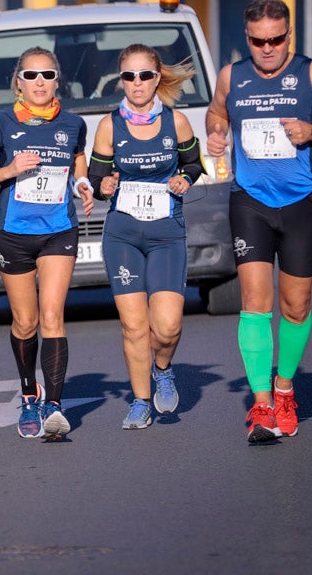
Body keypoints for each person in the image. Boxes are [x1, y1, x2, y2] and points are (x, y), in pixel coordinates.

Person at [205, 0, 312, 444]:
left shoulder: (311, 74)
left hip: (300, 205)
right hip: (249, 201)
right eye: (259, 42)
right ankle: (260, 404)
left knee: (296, 306)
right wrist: (217, 132)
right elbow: (217, 110)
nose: (268, 49)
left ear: (288, 35)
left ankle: (284, 388)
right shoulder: (231, 76)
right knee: (256, 302)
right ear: (247, 40)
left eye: (276, 39)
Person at [0, 47, 94, 440]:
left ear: (59, 80)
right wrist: (10, 168)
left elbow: (78, 165)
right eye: (31, 75)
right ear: (18, 82)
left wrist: (83, 185)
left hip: (59, 229)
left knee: (53, 316)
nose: (39, 82)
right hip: (14, 234)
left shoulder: (73, 123)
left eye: (47, 75)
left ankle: (54, 406)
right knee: (26, 321)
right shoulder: (1, 122)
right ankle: (28, 393)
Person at [87, 45, 203, 430]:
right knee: (134, 326)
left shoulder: (177, 123)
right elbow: (97, 178)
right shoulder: (109, 126)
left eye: (145, 75)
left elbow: (193, 165)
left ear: (157, 78)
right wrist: (104, 184)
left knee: (167, 326)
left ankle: (164, 369)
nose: (137, 83)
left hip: (166, 234)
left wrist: (184, 179)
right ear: (121, 80)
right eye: (129, 76)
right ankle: (139, 401)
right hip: (123, 236)